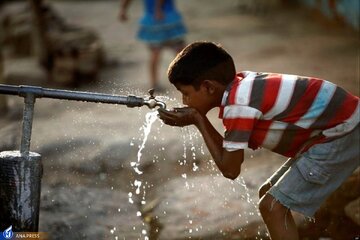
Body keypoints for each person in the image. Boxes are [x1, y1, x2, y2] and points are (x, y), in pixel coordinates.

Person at [158, 41, 359, 240]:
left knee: (273, 207)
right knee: (268, 195)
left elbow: (230, 169)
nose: (184, 101)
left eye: (186, 93)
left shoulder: (239, 105)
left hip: (344, 131)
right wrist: (197, 118)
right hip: (338, 127)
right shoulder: (241, 88)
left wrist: (198, 120)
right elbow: (230, 156)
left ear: (208, 87)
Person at [119, 0, 187, 91]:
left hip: (152, 20)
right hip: (167, 17)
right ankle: (185, 79)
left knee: (156, 52)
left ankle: (154, 83)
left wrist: (123, 10)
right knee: (180, 51)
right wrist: (158, 10)